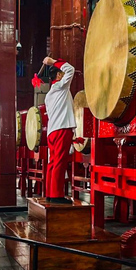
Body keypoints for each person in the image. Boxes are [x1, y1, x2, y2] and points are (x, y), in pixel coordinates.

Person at [43, 56, 76, 204]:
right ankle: (57, 195)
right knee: (60, 162)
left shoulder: (49, 95)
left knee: (53, 162)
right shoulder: (61, 87)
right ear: (58, 75)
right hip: (62, 128)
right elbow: (70, 69)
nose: (63, 74)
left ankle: (50, 193)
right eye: (61, 73)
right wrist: (53, 61)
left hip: (52, 130)